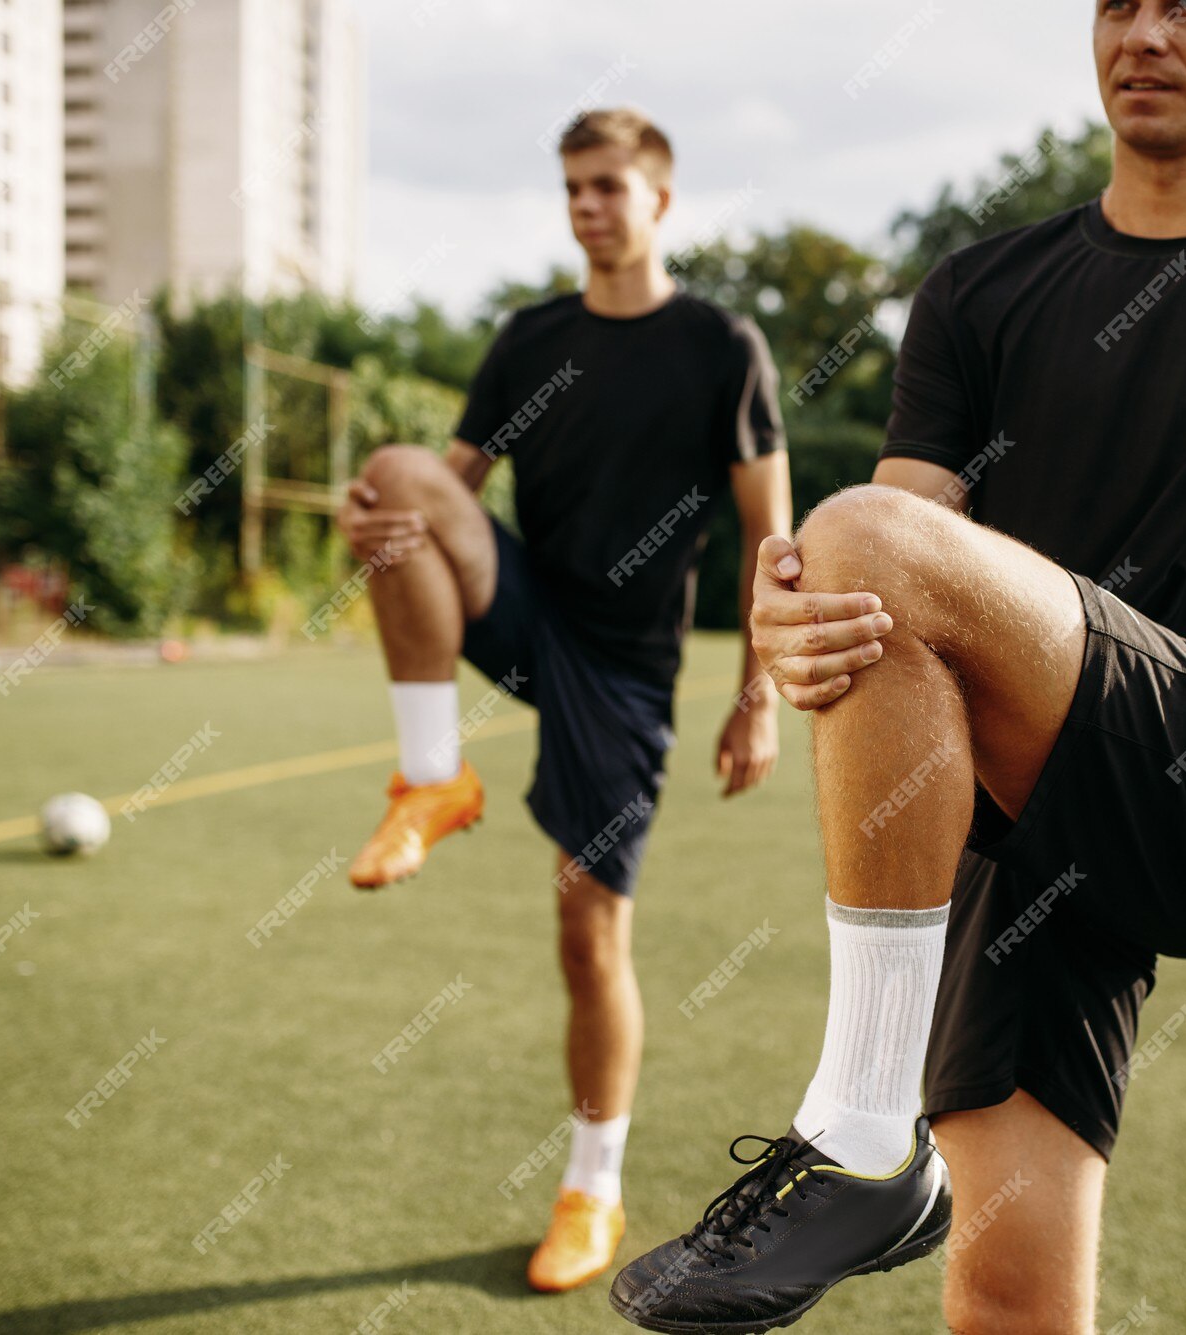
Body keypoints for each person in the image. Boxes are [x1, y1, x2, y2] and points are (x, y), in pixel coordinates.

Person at [611, 4, 1186, 1331]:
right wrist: (798, 610)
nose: (1145, 32)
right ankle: (882, 1155)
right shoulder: (981, 290)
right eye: (1117, 3)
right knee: (1005, 1290)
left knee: (864, 540)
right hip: (1030, 803)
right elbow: (894, 540)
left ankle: (862, 1136)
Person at [337, 107, 790, 1294]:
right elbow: (447, 496)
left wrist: (758, 700)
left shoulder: (720, 345)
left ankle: (591, 1187)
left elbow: (766, 540)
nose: (586, 207)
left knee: (587, 934)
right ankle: (432, 775)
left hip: (628, 671)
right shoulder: (529, 340)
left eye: (606, 187)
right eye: (571, 190)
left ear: (659, 201)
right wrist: (377, 532)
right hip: (531, 611)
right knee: (396, 474)